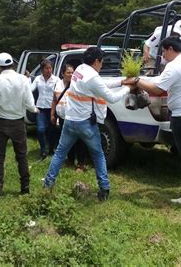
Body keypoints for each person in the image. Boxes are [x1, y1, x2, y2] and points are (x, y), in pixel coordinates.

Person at [44, 47, 136, 201]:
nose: (102, 65)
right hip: (85, 124)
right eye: (101, 62)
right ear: (96, 61)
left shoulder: (79, 70)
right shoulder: (93, 77)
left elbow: (101, 84)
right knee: (98, 155)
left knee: (59, 153)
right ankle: (104, 189)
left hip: (69, 121)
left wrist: (122, 81)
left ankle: (48, 185)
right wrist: (128, 88)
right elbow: (112, 98)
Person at [134, 36, 181, 205]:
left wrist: (138, 81)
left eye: (162, 51)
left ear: (169, 49)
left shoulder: (174, 66)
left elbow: (157, 89)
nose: (162, 55)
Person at [0, 52, 38, 196]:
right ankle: (25, 187)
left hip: (0, 123)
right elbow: (29, 103)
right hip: (18, 123)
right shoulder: (22, 80)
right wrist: (34, 109)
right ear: (12, 65)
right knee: (21, 156)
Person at [50, 64, 87, 172]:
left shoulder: (77, 85)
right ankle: (70, 160)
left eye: (72, 72)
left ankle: (81, 164)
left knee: (79, 141)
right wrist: (52, 114)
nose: (71, 74)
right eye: (68, 72)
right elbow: (54, 100)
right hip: (62, 117)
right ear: (62, 73)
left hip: (76, 118)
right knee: (67, 140)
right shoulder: (57, 84)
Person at [30, 59, 60, 159]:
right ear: (42, 69)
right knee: (40, 130)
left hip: (52, 109)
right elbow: (30, 90)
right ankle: (43, 149)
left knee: (52, 130)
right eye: (46, 68)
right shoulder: (38, 79)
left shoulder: (56, 80)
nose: (49, 70)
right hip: (40, 109)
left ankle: (51, 149)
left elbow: (60, 93)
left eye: (50, 68)